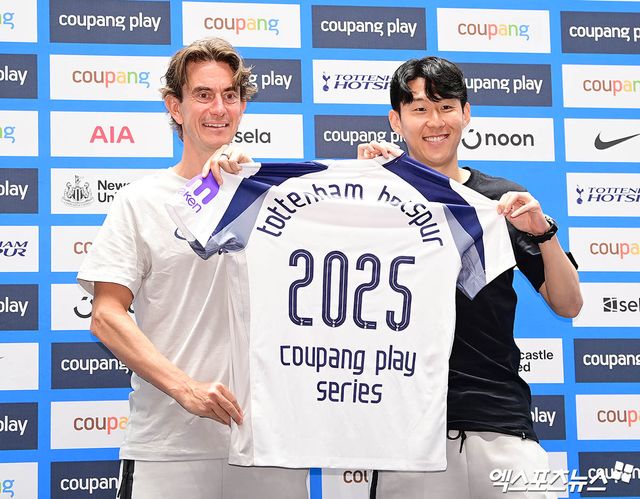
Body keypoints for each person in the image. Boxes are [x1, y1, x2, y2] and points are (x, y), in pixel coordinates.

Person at [77, 38, 308, 499]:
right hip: (169, 447)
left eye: (229, 95)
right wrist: (185, 389)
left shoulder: (286, 200)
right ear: (175, 107)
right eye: (203, 95)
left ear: (242, 106)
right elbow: (105, 315)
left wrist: (382, 173)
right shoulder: (140, 201)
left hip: (270, 447)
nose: (218, 108)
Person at [358, 57, 583, 499]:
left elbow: (568, 303)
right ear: (396, 120)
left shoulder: (500, 200)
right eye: (419, 109)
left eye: (446, 107)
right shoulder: (374, 198)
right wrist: (370, 183)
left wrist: (543, 232)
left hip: (502, 426)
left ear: (466, 113)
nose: (434, 121)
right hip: (409, 435)